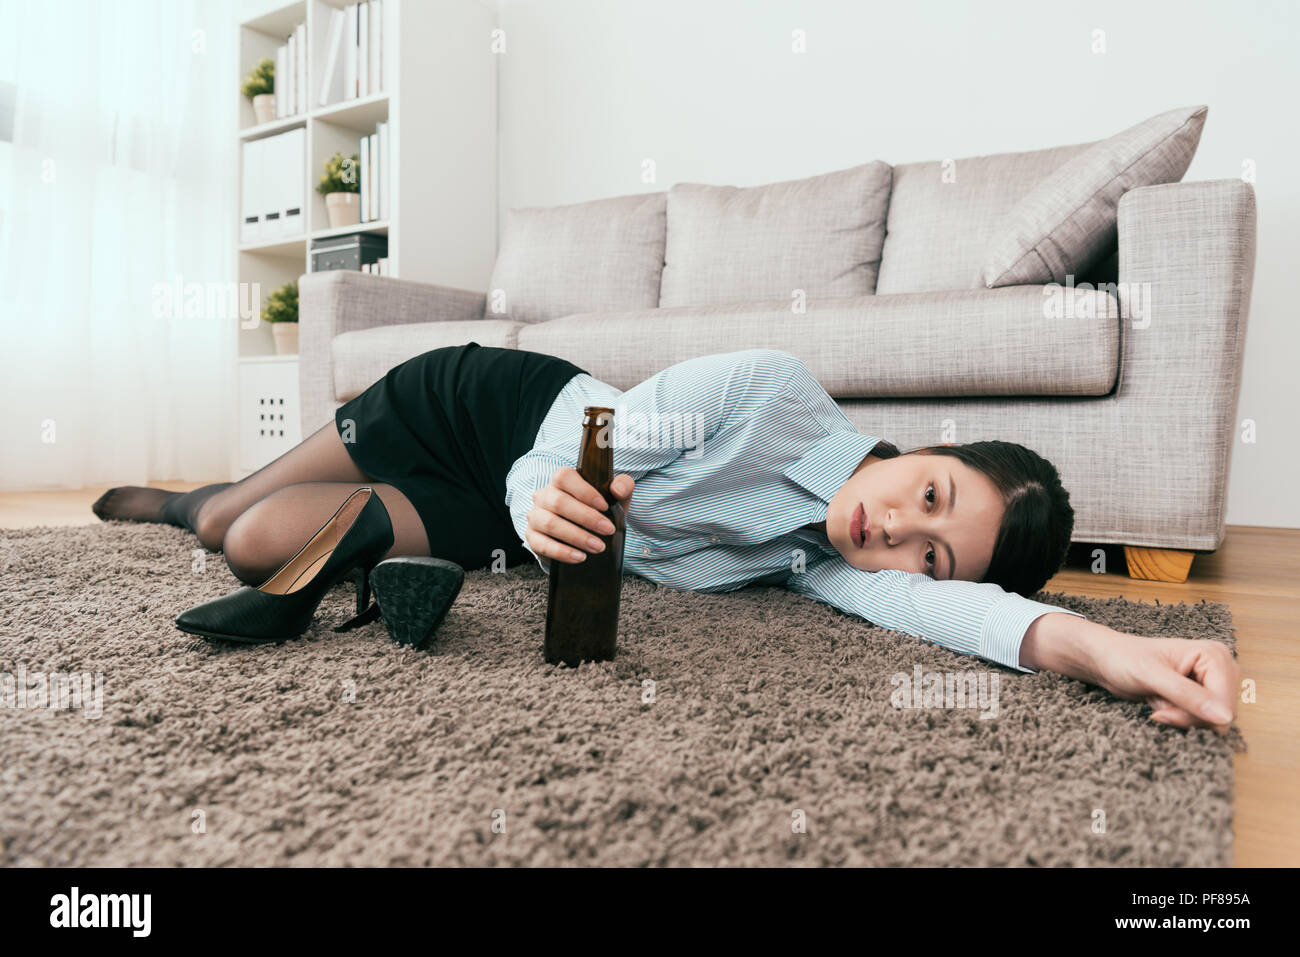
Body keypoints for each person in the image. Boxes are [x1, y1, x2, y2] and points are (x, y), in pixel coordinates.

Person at [94, 343, 1239, 733]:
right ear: (917, 452)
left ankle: (245, 518)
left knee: (259, 549)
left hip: (501, 524)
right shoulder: (771, 395)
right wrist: (551, 492)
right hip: (497, 413)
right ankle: (182, 497)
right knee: (224, 514)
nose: (893, 529)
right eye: (928, 497)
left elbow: (969, 613)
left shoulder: (828, 566)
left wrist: (1101, 649)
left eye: (926, 549)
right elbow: (580, 450)